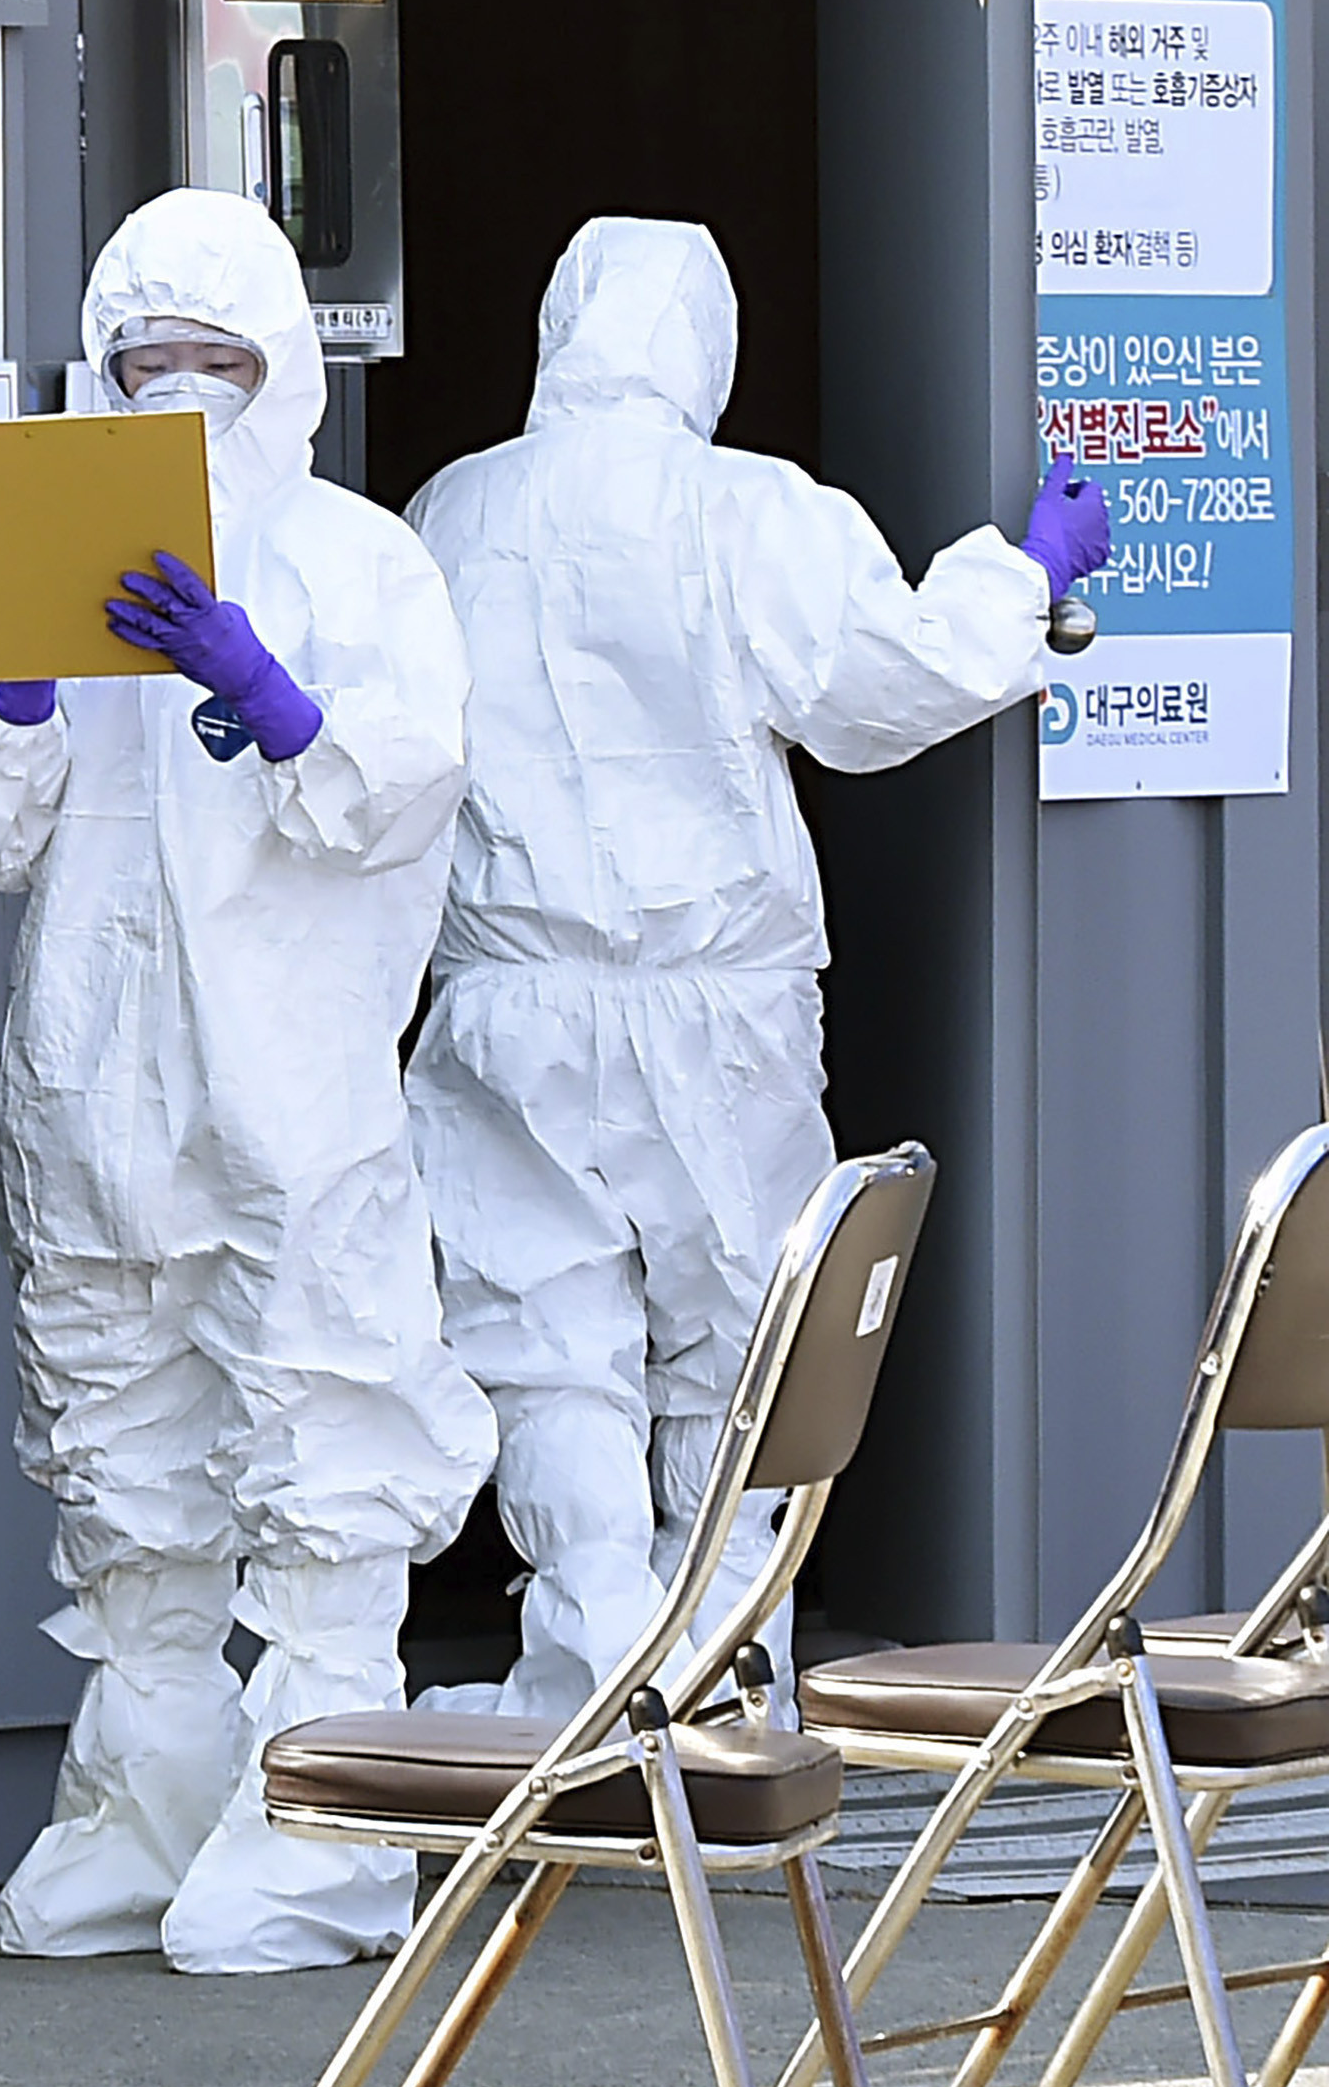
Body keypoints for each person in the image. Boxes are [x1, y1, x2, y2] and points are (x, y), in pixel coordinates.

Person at [403, 217, 1108, 1719]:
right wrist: (1021, 580)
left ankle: (590, 1678)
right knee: (739, 1347)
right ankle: (719, 1678)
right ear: (703, 345)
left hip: (506, 1002)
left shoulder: (455, 510)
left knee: (544, 1343)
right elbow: (885, 685)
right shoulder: (750, 510)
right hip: (713, 1006)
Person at [0, 188, 495, 1975]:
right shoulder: (41, 552)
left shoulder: (358, 561)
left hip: (292, 1090)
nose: (176, 391)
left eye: (216, 361)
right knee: (119, 1455)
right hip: (92, 1095)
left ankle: (322, 1830)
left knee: (319, 1439)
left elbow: (410, 785)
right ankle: (144, 1806)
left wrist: (275, 693)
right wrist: (3, 694)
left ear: (287, 368)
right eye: (140, 360)